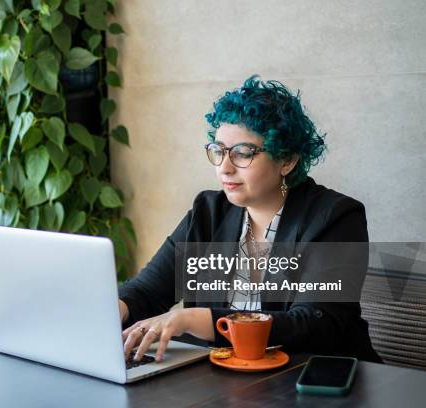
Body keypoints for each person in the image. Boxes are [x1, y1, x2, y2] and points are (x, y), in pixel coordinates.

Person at [118, 75, 382, 364]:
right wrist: (112, 310)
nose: (224, 168)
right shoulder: (208, 211)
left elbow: (315, 324)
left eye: (243, 154)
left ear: (287, 160)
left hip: (314, 381)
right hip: (227, 380)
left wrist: (200, 319)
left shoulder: (336, 217)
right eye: (218, 151)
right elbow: (147, 291)